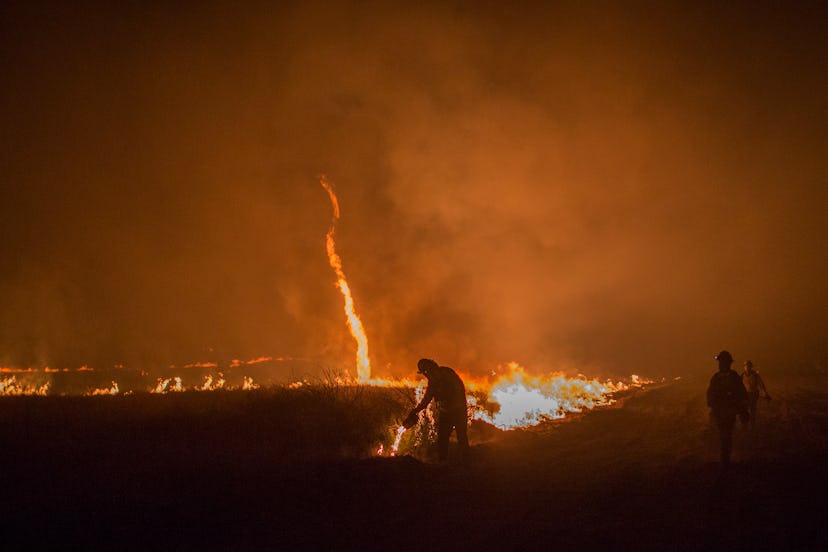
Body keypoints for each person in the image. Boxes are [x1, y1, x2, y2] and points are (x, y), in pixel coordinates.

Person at [403, 358, 470, 463]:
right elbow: (426, 399)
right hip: (446, 412)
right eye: (424, 373)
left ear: (431, 368)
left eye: (426, 372)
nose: (426, 375)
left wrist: (453, 403)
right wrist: (415, 411)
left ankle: (466, 462)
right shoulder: (433, 383)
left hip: (458, 410)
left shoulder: (447, 373)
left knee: (461, 436)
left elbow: (459, 388)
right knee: (442, 438)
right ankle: (442, 462)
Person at [706, 350, 749, 469]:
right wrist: (712, 406)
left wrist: (742, 409)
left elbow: (741, 393)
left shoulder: (733, 377)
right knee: (724, 435)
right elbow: (710, 393)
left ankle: (725, 458)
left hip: (729, 411)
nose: (720, 364)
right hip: (720, 412)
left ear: (727, 363)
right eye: (720, 362)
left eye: (722, 362)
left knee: (726, 434)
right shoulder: (716, 378)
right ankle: (725, 457)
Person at [741, 360, 771, 428]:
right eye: (746, 366)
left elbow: (761, 385)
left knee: (752, 410)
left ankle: (752, 426)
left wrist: (765, 394)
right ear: (744, 367)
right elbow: (739, 387)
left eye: (749, 366)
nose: (747, 367)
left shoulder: (755, 375)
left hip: (753, 395)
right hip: (745, 395)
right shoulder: (742, 376)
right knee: (745, 410)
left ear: (751, 367)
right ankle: (745, 426)